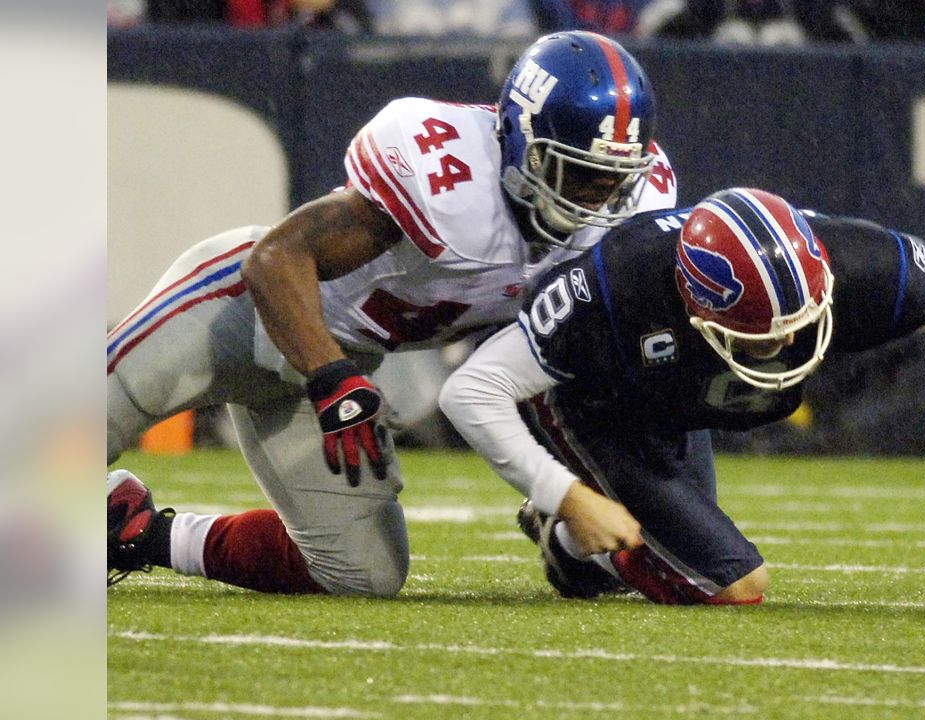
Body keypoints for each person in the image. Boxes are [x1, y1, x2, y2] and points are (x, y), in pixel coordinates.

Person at [107, 31, 678, 596]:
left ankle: (134, 532)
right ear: (519, 140)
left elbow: (561, 355)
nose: (595, 199)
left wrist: (564, 481)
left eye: (612, 180)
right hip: (245, 311)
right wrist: (332, 381)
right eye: (577, 174)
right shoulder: (449, 174)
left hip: (342, 363)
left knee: (362, 572)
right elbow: (276, 259)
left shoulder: (628, 216)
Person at [438, 187, 925, 605]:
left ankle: (568, 553)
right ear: (697, 312)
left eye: (802, 325)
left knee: (635, 559)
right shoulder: (611, 288)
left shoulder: (849, 262)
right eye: (764, 337)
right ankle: (569, 525)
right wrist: (567, 492)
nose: (789, 349)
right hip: (593, 409)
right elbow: (470, 391)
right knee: (732, 585)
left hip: (678, 406)